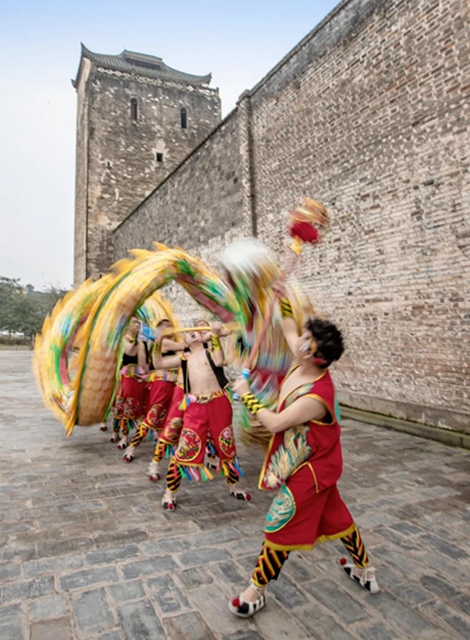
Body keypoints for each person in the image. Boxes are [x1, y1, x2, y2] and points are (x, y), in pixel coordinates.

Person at [229, 295, 379, 618]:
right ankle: (365, 570)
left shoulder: (317, 396)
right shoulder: (304, 359)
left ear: (318, 358)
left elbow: (276, 423)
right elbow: (287, 328)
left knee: (279, 523)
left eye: (308, 341)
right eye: (306, 337)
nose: (300, 341)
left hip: (313, 468)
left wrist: (246, 396)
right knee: (337, 516)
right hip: (313, 458)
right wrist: (281, 298)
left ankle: (255, 591)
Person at [152, 322, 250, 510]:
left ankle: (234, 485)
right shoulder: (184, 358)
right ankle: (169, 492)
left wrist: (214, 334)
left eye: (198, 332)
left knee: (226, 447)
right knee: (184, 449)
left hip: (218, 404)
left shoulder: (211, 351)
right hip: (195, 407)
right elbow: (158, 363)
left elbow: (220, 361)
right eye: (190, 333)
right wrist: (157, 342)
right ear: (185, 342)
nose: (194, 333)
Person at [123, 319, 185, 462]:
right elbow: (185, 347)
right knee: (153, 416)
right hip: (162, 386)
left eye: (171, 327)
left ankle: (162, 451)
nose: (169, 330)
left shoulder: (167, 343)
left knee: (169, 419)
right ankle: (132, 446)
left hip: (173, 386)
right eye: (165, 328)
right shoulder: (164, 342)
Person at [109, 316, 147, 448]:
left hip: (137, 379)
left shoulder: (141, 343)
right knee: (121, 406)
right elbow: (129, 351)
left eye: (139, 322)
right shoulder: (122, 340)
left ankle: (127, 435)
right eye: (134, 322)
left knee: (132, 407)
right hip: (124, 378)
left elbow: (143, 364)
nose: (138, 324)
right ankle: (117, 432)